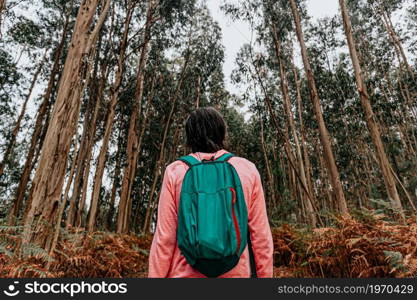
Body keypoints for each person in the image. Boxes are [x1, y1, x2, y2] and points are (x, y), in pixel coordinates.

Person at [148, 107, 273, 278]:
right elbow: (261, 237)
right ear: (222, 133)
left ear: (190, 136)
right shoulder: (247, 169)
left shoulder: (175, 171)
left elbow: (164, 239)